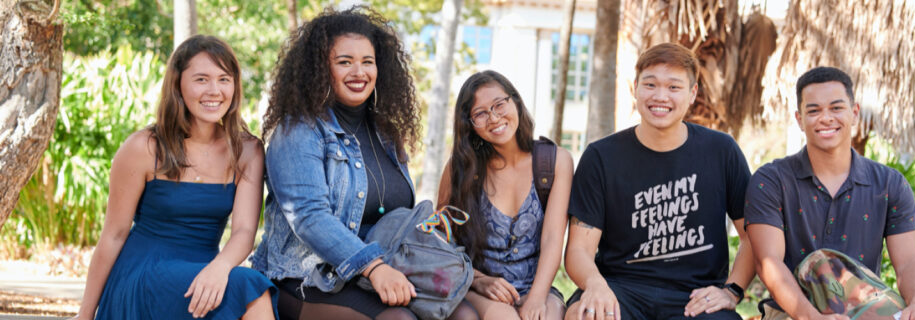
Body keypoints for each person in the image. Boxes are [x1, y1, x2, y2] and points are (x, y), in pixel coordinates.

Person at [250, 7, 476, 320]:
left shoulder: (384, 132)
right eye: (344, 62)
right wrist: (373, 267)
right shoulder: (299, 130)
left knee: (464, 315)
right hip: (307, 277)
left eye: (367, 62)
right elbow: (309, 217)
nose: (359, 72)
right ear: (320, 69)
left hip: (383, 270)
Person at [73, 35, 275, 319]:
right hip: (143, 272)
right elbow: (114, 235)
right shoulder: (144, 147)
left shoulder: (248, 150)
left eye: (224, 79)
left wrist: (219, 267)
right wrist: (85, 314)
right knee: (250, 285)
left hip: (205, 270)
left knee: (246, 288)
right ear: (178, 85)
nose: (214, 90)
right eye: (201, 79)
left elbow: (243, 232)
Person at [562, 43, 755, 320]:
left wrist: (732, 291)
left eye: (674, 87)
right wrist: (595, 285)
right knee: (583, 315)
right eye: (650, 85)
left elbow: (751, 236)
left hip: (695, 296)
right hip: (619, 289)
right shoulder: (601, 156)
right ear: (635, 89)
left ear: (692, 94)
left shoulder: (721, 151)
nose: (660, 96)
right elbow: (579, 248)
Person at [744, 67, 915, 320]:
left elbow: (909, 262)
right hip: (791, 313)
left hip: (866, 310)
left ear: (854, 113)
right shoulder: (771, 181)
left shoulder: (890, 184)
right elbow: (768, 262)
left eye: (836, 108)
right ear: (799, 120)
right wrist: (812, 318)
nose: (826, 118)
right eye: (814, 110)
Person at [437, 70, 573, 320]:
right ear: (470, 124)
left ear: (516, 102)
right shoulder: (460, 168)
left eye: (499, 105)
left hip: (537, 285)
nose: (494, 117)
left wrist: (537, 297)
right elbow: (441, 243)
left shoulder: (554, 162)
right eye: (480, 113)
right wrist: (479, 280)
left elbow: (554, 238)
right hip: (480, 288)